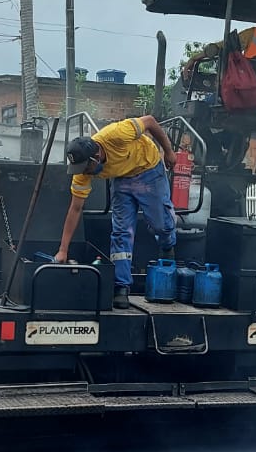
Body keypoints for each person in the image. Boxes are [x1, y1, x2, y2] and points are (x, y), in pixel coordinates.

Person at [55, 116, 177, 308]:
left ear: (96, 156)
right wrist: (63, 250)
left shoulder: (118, 133)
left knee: (160, 225)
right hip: (121, 180)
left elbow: (151, 122)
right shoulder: (82, 172)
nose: (84, 172)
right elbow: (75, 208)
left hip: (149, 170)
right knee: (121, 232)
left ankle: (168, 246)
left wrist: (168, 152)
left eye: (86, 167)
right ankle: (121, 287)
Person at [180, 20, 256, 82]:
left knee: (205, 105)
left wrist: (194, 58)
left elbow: (218, 48)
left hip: (245, 90)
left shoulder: (254, 33)